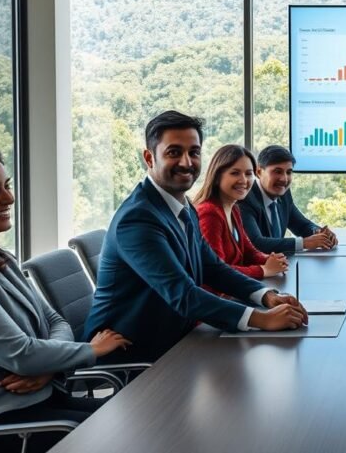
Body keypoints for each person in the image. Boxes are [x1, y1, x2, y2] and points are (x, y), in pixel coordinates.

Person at [0, 147, 130, 453]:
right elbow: (20, 354)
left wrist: (45, 368)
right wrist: (91, 350)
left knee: (138, 418)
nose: (8, 198)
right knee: (135, 431)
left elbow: (54, 321)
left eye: (6, 186)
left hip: (37, 404)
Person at [83, 111, 308, 364]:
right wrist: (262, 318)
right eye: (174, 152)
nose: (187, 162)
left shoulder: (183, 207)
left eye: (194, 152)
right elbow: (183, 294)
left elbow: (213, 267)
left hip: (179, 337)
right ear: (149, 157)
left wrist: (265, 295)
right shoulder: (137, 219)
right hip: (135, 353)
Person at [193, 144, 288, 283]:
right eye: (235, 173)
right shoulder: (209, 213)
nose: (244, 180)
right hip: (218, 297)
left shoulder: (234, 209)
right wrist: (263, 270)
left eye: (248, 174)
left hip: (234, 291)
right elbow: (216, 270)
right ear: (218, 175)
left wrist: (270, 259)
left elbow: (250, 252)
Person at [239, 145, 337, 254]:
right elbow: (256, 243)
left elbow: (301, 225)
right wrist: (303, 243)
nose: (284, 179)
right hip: (255, 268)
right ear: (259, 172)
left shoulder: (283, 193)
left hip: (279, 266)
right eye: (277, 171)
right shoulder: (245, 199)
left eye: (289, 172)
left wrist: (318, 232)